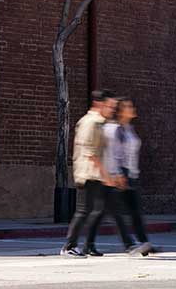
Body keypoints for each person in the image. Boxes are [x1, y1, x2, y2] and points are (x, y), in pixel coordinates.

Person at [60, 90, 117, 258]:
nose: (112, 109)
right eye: (109, 106)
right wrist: (105, 174)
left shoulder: (99, 122)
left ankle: (88, 246)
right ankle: (69, 246)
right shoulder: (90, 122)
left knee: (98, 209)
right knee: (84, 210)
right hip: (89, 173)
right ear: (99, 104)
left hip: (96, 173)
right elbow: (90, 152)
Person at [103, 97, 153, 257]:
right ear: (121, 111)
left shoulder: (129, 128)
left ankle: (144, 243)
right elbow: (115, 154)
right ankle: (129, 244)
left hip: (130, 173)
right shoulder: (116, 129)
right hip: (119, 173)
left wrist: (132, 173)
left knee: (135, 211)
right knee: (114, 212)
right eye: (128, 107)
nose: (132, 109)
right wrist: (117, 174)